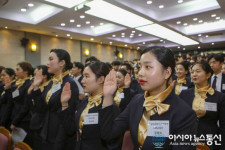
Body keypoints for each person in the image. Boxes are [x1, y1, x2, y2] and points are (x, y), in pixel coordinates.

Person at [99, 46, 197, 149]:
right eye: (140, 67)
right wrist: (108, 96)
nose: (140, 73)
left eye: (148, 67)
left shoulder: (184, 114)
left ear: (167, 72)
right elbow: (108, 133)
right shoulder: (137, 101)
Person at [59, 61, 120, 150]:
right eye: (83, 76)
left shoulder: (110, 107)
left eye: (87, 76)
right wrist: (64, 104)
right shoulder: (85, 102)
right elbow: (71, 129)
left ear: (100, 79)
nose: (83, 81)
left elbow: (112, 143)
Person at [31, 49, 79, 150]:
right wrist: (36, 87)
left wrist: (58, 144)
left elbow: (68, 116)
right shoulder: (52, 82)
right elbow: (41, 108)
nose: (47, 63)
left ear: (62, 63)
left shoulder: (69, 83)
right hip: (47, 131)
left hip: (59, 137)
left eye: (51, 59)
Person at [179, 61, 225, 149]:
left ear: (208, 75)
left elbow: (223, 125)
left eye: (198, 71)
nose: (194, 74)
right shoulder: (184, 94)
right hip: (186, 139)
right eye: (192, 72)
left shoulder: (219, 97)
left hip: (209, 141)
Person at [11, 65, 51, 150]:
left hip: (43, 126)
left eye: (36, 75)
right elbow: (29, 106)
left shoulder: (48, 89)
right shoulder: (34, 87)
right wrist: (30, 94)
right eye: (34, 74)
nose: (33, 77)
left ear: (44, 76)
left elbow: (42, 108)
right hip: (34, 124)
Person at [3, 61, 33, 145]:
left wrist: (15, 122)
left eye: (18, 69)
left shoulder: (28, 85)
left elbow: (25, 106)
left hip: (23, 120)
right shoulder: (18, 84)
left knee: (21, 145)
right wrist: (8, 88)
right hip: (15, 117)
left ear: (25, 71)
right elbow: (12, 99)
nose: (15, 72)